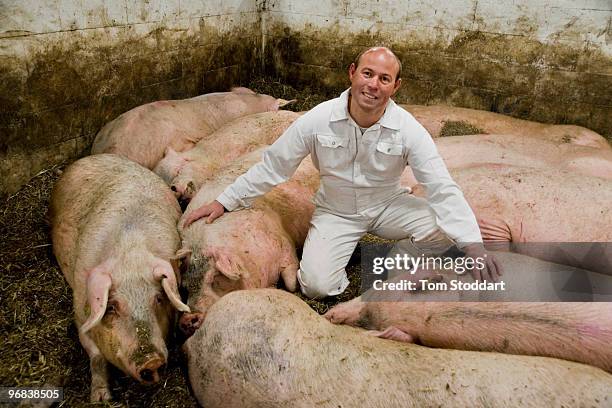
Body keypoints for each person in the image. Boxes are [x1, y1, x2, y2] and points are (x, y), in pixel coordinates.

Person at [183, 46, 502, 298]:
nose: (373, 84)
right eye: (368, 73)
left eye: (384, 79)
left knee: (447, 231)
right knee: (316, 287)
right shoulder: (318, 119)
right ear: (352, 73)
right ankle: (345, 257)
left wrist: (473, 245)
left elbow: (441, 185)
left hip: (387, 204)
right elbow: (274, 166)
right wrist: (224, 201)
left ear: (395, 86)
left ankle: (395, 261)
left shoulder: (409, 130)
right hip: (336, 211)